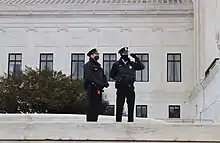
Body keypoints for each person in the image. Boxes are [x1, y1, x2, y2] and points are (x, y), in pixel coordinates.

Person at [110, 47, 145, 122]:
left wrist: (136, 58)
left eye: (127, 53)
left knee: (131, 107)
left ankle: (130, 123)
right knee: (119, 107)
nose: (126, 54)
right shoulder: (117, 64)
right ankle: (118, 123)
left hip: (130, 87)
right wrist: (119, 79)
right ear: (121, 54)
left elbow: (142, 67)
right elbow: (112, 75)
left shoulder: (131, 64)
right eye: (124, 53)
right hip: (121, 88)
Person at [84, 48, 109, 122]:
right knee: (91, 107)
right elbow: (89, 77)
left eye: (98, 54)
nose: (97, 56)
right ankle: (90, 123)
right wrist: (99, 83)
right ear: (91, 55)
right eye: (96, 54)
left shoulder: (99, 67)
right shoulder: (88, 65)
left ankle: (95, 121)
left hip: (98, 89)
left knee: (97, 107)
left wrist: (105, 83)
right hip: (91, 88)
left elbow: (103, 76)